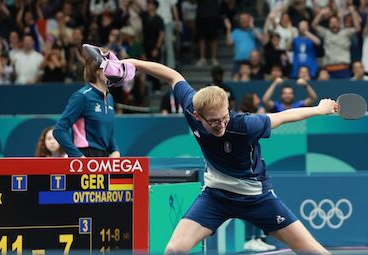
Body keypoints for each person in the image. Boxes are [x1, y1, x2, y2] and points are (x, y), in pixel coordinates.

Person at [115, 56, 335, 255]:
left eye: (224, 118)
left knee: (312, 250)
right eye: (213, 121)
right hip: (216, 196)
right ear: (198, 116)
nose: (220, 125)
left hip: (256, 198)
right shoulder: (192, 107)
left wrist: (319, 109)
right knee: (174, 249)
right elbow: (173, 76)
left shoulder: (245, 124)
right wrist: (135, 64)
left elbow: (284, 116)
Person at [53, 50, 121, 157]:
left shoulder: (109, 98)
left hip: (104, 158)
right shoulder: (82, 96)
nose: (114, 71)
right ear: (97, 71)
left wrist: (115, 150)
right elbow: (59, 130)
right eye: (109, 67)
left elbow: (108, 131)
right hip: (86, 155)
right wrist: (78, 157)